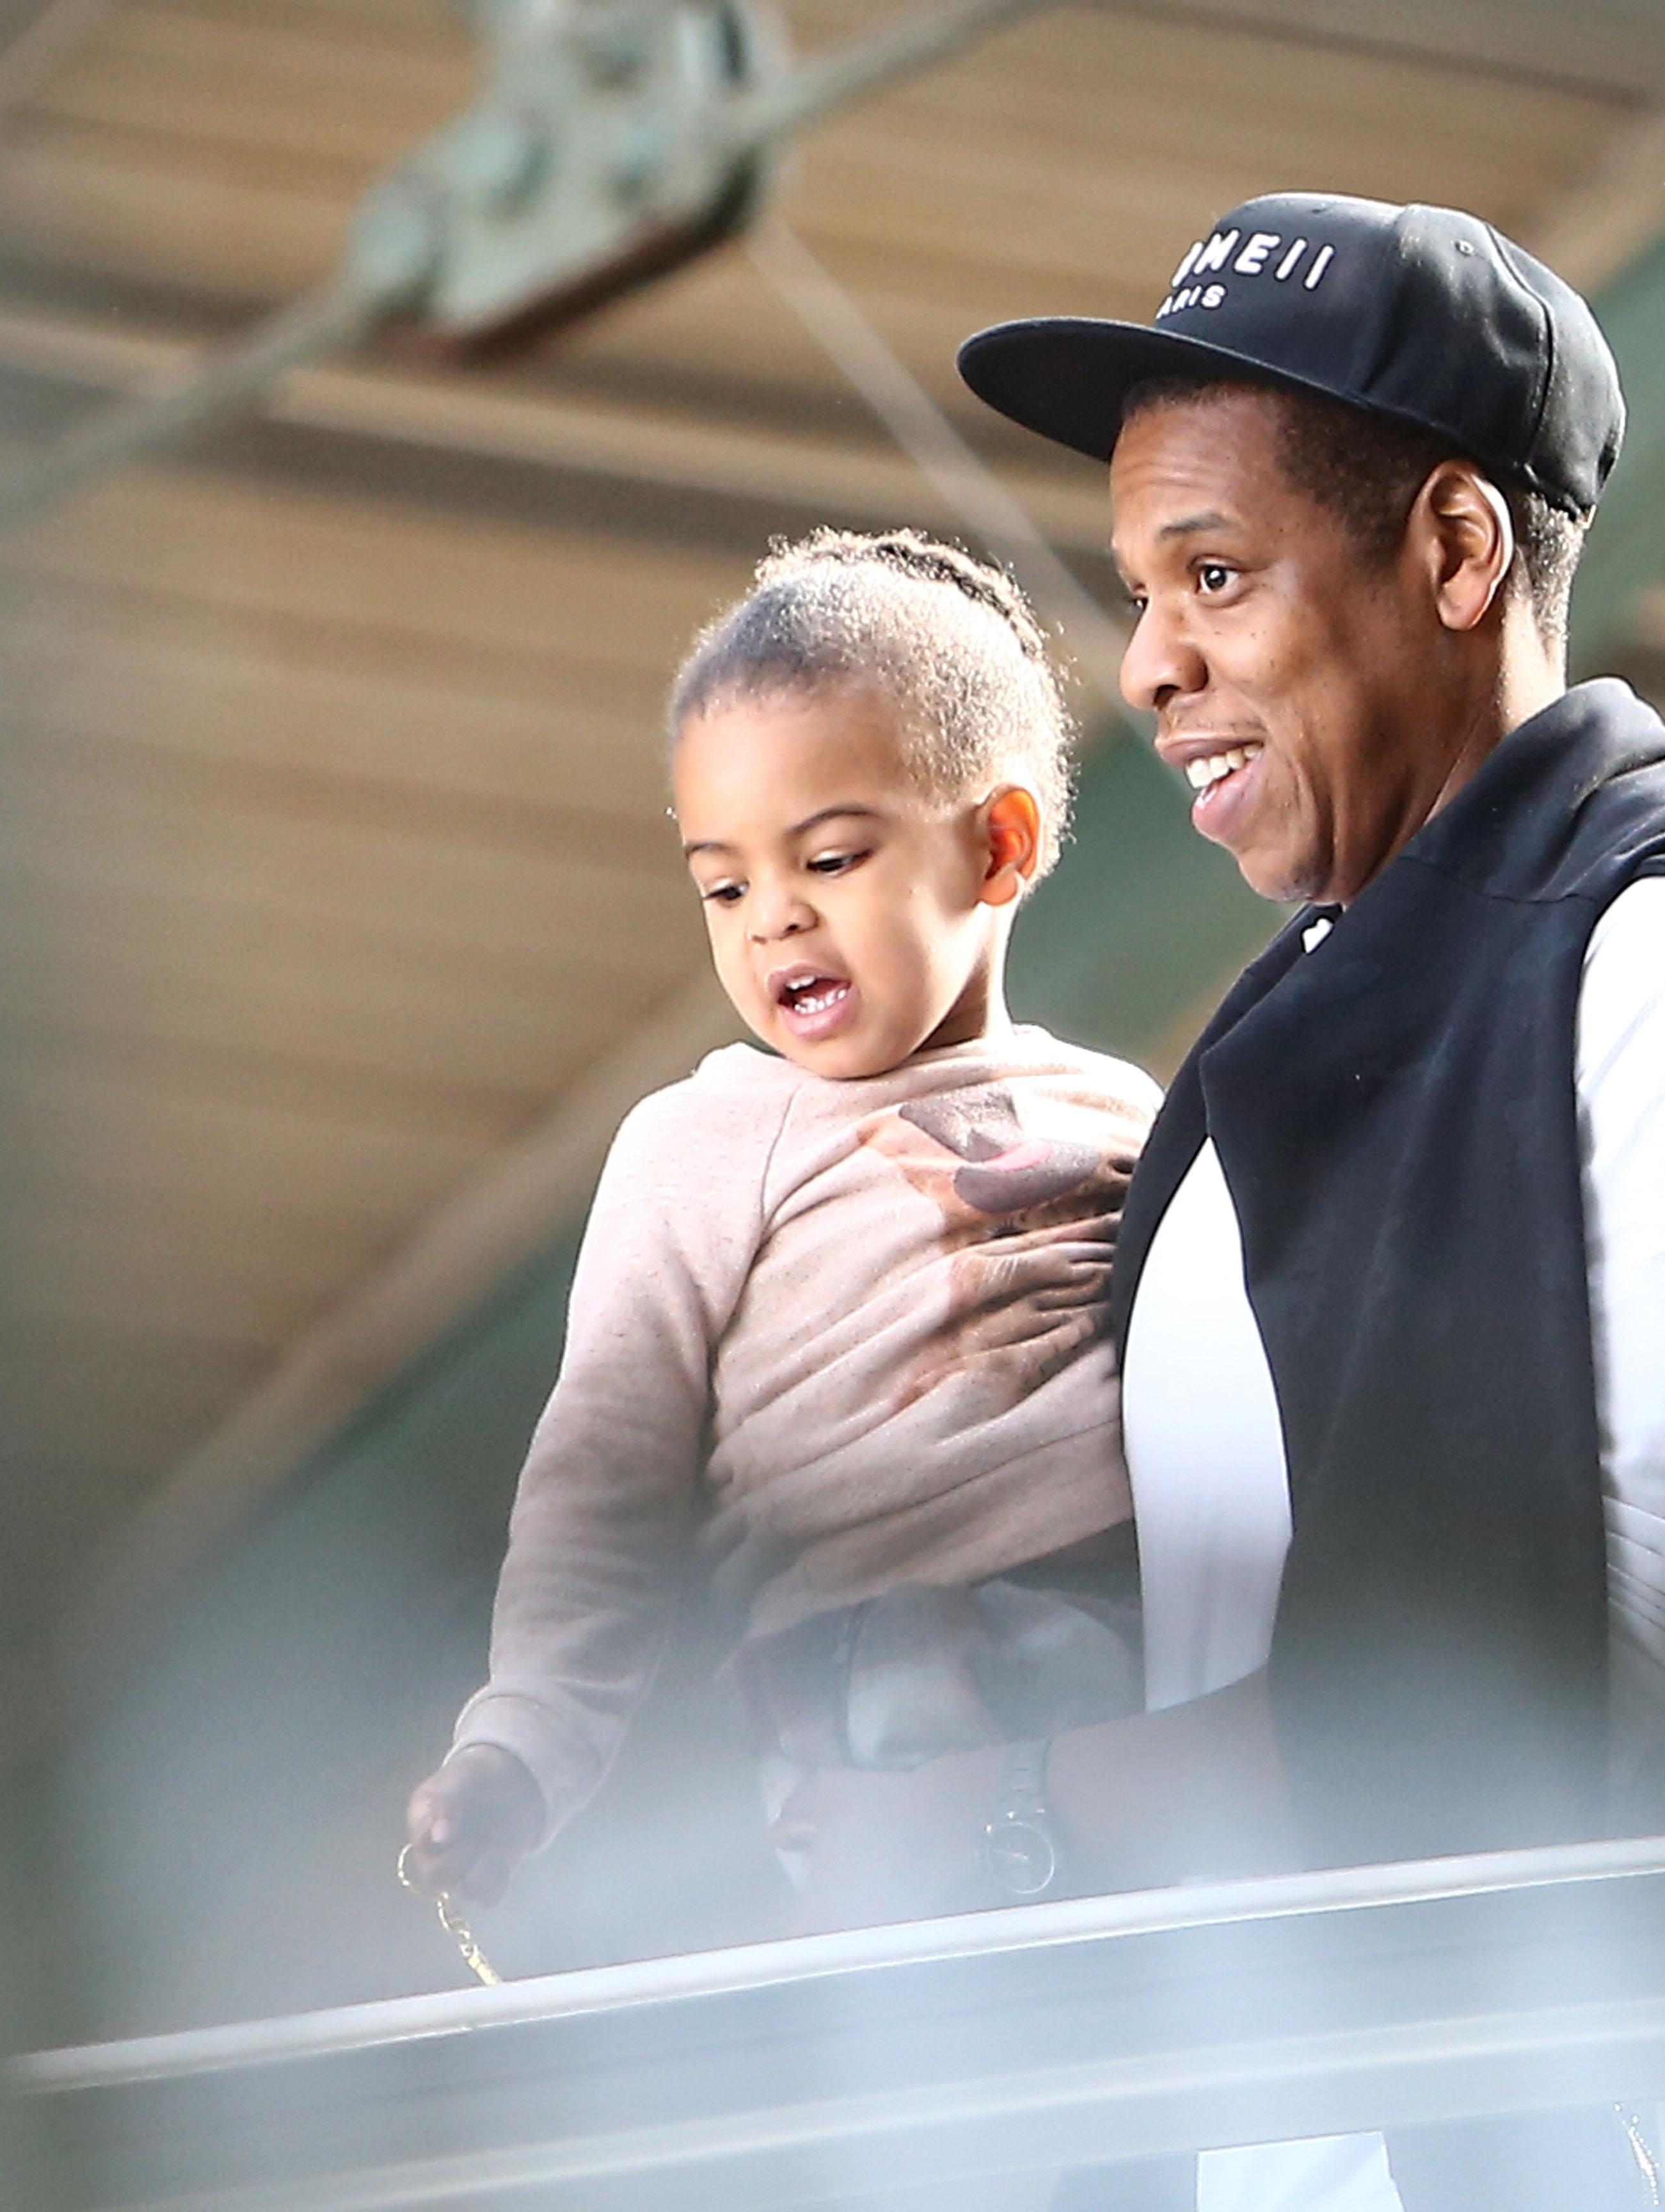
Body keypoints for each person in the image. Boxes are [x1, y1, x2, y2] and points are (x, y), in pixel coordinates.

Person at [931, 189, 1665, 2212]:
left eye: (1217, 574)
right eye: (1139, 589)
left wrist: (1021, 1815)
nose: (1147, 664)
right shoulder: (1278, 1040)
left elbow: (1556, 1673)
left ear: (1454, 549)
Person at [399, 531, 1161, 1932]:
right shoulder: (702, 1145)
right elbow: (603, 1487)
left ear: (999, 844)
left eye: (829, 856)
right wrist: (520, 1750)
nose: (775, 920)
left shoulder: (1125, 1113)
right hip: (875, 1668)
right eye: (726, 885)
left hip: (1151, 1633)